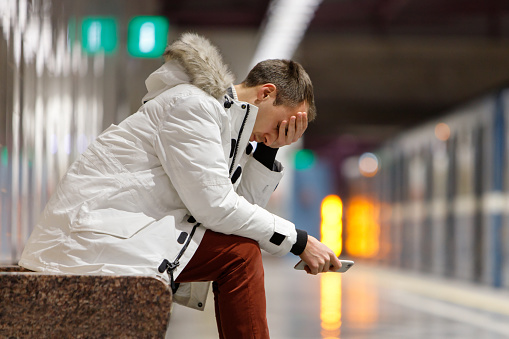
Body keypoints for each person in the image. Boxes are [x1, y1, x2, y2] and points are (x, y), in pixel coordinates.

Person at [19, 33, 341, 338]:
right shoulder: (193, 107)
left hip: (114, 233)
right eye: (282, 125)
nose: (279, 134)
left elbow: (237, 216)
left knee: (240, 251)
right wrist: (299, 242)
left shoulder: (226, 130)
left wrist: (270, 149)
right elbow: (217, 209)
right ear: (266, 93)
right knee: (240, 256)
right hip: (84, 239)